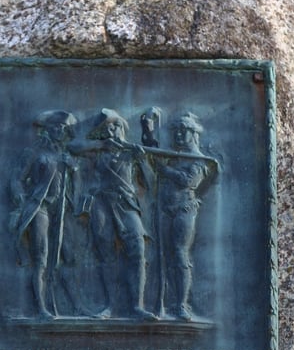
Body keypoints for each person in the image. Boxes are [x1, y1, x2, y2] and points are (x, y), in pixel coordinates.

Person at [83, 109, 155, 320]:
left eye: (114, 126)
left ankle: (137, 306)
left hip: (127, 203)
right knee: (106, 253)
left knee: (138, 251)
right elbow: (73, 147)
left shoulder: (132, 153)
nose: (111, 131)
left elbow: (151, 184)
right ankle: (110, 306)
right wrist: (101, 146)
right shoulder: (98, 152)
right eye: (106, 129)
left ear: (122, 128)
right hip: (102, 204)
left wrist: (142, 160)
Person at [11, 110, 77, 319]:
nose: (59, 130)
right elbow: (16, 179)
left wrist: (73, 170)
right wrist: (21, 199)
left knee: (65, 257)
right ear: (47, 129)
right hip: (40, 207)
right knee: (41, 257)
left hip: (61, 211)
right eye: (55, 127)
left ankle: (66, 304)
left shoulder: (66, 155)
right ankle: (40, 308)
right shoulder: (34, 151)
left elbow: (74, 188)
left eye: (63, 128)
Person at [155, 112, 217, 321]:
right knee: (164, 255)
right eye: (176, 131)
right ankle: (164, 302)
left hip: (184, 210)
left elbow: (188, 182)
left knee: (180, 255)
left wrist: (164, 170)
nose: (179, 135)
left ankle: (181, 304)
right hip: (166, 210)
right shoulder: (173, 156)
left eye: (184, 131)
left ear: (193, 133)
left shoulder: (198, 159)